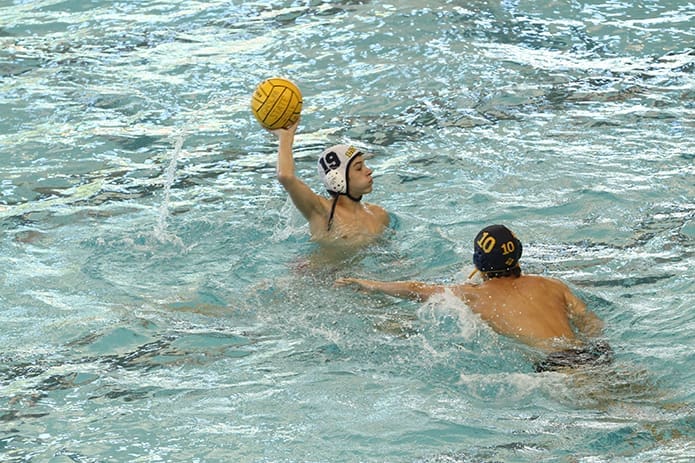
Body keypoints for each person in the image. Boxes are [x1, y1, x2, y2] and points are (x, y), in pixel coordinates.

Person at [336, 224, 612, 372]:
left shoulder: (473, 296)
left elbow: (416, 289)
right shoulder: (552, 285)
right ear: (518, 255)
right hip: (593, 355)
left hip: (556, 368)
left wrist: (371, 285)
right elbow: (592, 324)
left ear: (478, 266)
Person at [272, 120, 389, 250]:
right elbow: (286, 177)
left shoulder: (379, 215)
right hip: (319, 270)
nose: (369, 171)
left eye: (365, 165)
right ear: (337, 178)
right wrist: (286, 136)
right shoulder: (323, 213)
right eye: (358, 168)